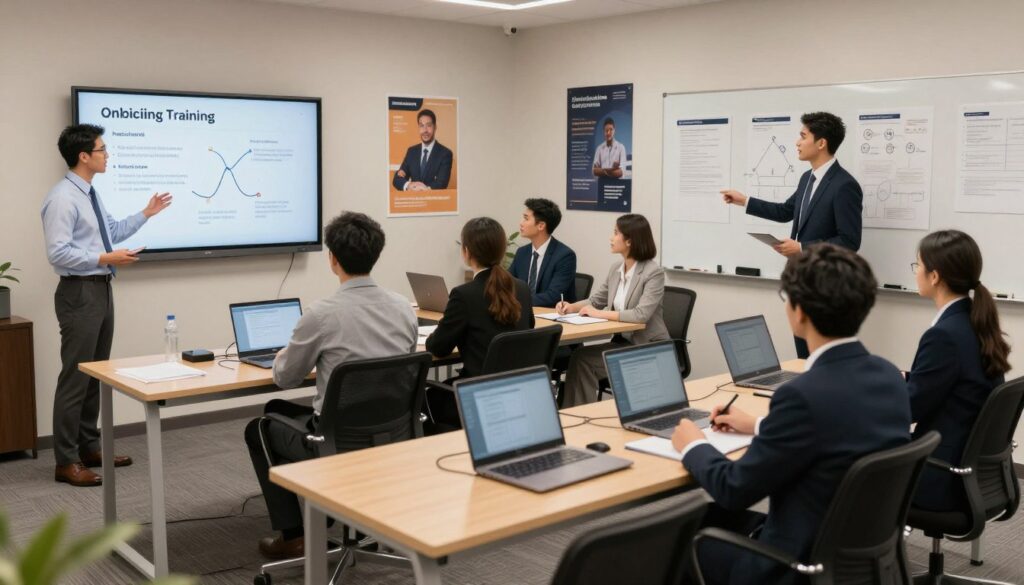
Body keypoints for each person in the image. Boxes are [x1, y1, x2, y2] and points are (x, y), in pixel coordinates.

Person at [671, 244, 911, 585]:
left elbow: (734, 489)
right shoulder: (889, 376)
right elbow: (838, 429)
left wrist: (693, 445)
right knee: (706, 518)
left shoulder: (800, 396)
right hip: (854, 555)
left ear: (799, 312)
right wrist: (756, 424)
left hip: (795, 566)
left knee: (672, 540)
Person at [243, 211, 417, 559]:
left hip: (336, 439)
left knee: (259, 428)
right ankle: (334, 509)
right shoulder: (404, 308)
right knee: (278, 412)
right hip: (392, 434)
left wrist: (283, 355)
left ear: (332, 259)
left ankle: (295, 535)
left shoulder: (322, 313)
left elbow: (286, 378)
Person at [41, 124, 172, 487]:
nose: (107, 154)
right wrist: (105, 257)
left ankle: (89, 447)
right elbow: (58, 252)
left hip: (100, 288)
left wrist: (146, 213)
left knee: (95, 373)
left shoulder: (90, 194)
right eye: (102, 149)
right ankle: (66, 461)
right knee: (74, 377)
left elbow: (110, 230)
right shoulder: (63, 198)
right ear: (84, 156)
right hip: (78, 292)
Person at [721, 111, 862, 358]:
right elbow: (786, 211)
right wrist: (744, 201)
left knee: (819, 358)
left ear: (821, 143)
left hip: (825, 287)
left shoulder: (844, 185)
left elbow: (850, 242)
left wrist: (802, 248)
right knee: (802, 357)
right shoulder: (807, 178)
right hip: (801, 282)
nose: (797, 142)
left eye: (802, 136)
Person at [908, 230, 1011, 512]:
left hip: (940, 477)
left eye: (918, 265)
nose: (915, 272)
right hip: (973, 472)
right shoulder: (973, 322)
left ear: (935, 276)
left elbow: (909, 409)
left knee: (845, 455)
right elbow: (950, 382)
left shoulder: (944, 336)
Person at [424, 217, 534, 430]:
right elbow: (528, 329)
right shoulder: (522, 289)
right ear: (502, 250)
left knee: (424, 399)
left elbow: (439, 347)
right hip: (516, 394)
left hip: (475, 396)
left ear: (466, 252)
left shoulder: (464, 295)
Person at [557, 214, 669, 407]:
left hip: (647, 348)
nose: (611, 238)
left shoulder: (653, 273)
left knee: (583, 361)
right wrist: (570, 307)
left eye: (615, 233)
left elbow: (640, 315)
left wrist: (599, 313)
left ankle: (579, 418)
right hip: (622, 343)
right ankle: (573, 418)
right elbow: (596, 300)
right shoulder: (616, 268)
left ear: (630, 240)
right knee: (580, 358)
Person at [509, 197, 577, 307]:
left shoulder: (565, 256)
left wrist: (515, 302)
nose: (521, 223)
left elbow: (553, 296)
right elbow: (507, 285)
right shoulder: (522, 252)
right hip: (524, 314)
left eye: (526, 219)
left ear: (541, 225)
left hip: (552, 317)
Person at [392, 108, 453, 191]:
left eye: (429, 125)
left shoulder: (445, 154)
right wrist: (409, 185)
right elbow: (397, 179)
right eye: (421, 126)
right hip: (414, 202)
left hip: (434, 203)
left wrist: (423, 189)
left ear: (435, 127)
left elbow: (441, 183)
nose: (425, 130)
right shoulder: (412, 152)